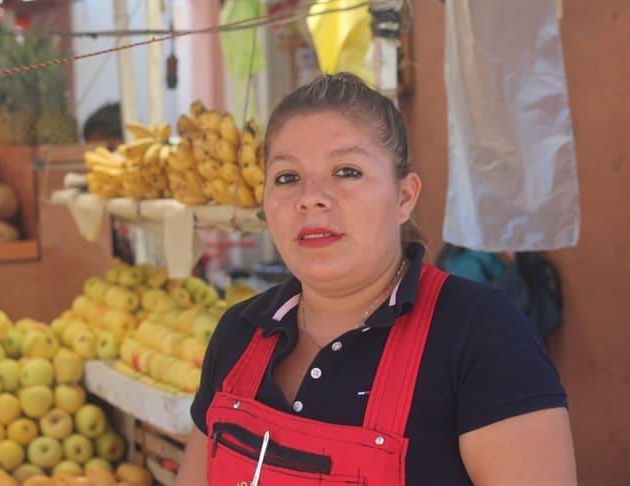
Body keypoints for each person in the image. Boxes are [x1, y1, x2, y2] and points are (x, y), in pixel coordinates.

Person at [177, 73, 577, 485]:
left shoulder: (480, 333)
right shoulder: (239, 333)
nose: (311, 196)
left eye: (347, 171)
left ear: (404, 197)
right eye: (287, 177)